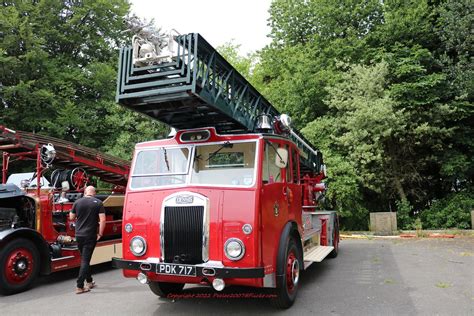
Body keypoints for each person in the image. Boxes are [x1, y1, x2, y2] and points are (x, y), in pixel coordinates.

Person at [69, 186, 106, 294]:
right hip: (90, 235)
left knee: (85, 259)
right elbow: (103, 220)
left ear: (85, 192)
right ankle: (80, 286)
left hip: (79, 235)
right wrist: (100, 233)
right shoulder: (98, 203)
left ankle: (89, 281)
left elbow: (71, 217)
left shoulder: (77, 202)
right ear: (94, 193)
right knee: (85, 260)